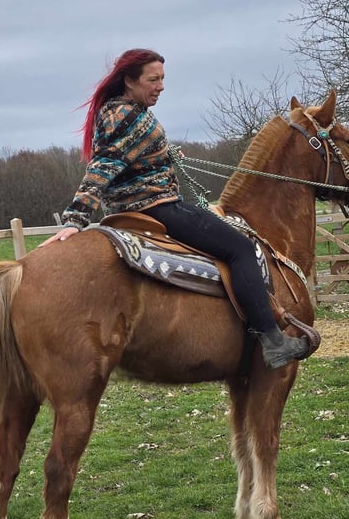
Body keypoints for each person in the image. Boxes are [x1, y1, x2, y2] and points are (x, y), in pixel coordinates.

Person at [40, 48, 308, 369]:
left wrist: (162, 152)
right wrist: (76, 218)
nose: (161, 86)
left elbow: (129, 156)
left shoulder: (118, 111)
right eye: (153, 80)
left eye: (162, 79)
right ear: (129, 81)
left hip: (132, 208)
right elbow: (105, 165)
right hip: (157, 208)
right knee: (240, 248)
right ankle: (272, 340)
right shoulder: (131, 116)